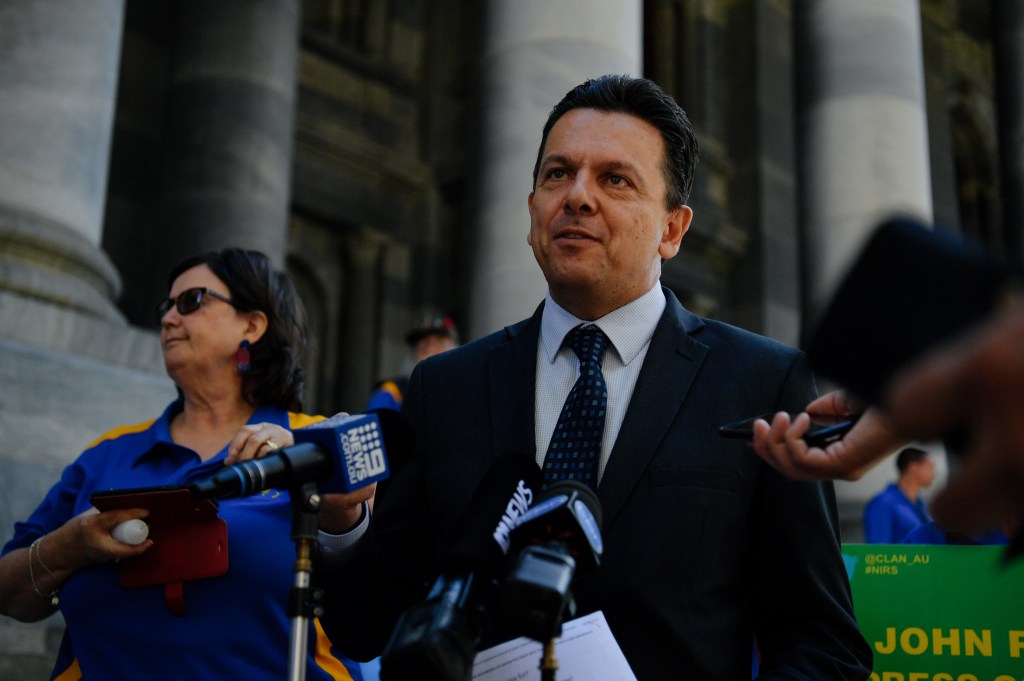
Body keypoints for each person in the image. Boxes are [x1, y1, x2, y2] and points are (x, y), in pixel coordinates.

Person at [314, 75, 872, 680]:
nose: (577, 197)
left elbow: (823, 646)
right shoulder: (445, 388)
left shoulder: (759, 380)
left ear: (673, 229)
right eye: (558, 174)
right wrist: (343, 523)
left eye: (616, 180)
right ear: (531, 210)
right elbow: (364, 627)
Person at [0, 249, 372, 680]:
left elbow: (372, 594)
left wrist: (338, 504)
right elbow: (9, 594)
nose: (168, 319)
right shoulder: (109, 452)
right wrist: (71, 546)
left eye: (191, 301)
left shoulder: (313, 440)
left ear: (251, 325)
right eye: (166, 306)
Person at [751, 300, 1024, 544]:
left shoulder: (920, 506)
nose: (934, 472)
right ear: (913, 468)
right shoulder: (890, 506)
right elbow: (884, 563)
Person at [365, 314, 460, 411]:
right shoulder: (392, 393)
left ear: (455, 347)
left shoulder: (465, 390)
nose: (430, 350)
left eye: (438, 343)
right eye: (423, 345)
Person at [861, 447, 934, 543]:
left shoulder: (919, 504)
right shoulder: (883, 503)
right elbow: (878, 551)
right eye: (930, 467)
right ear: (914, 467)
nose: (934, 472)